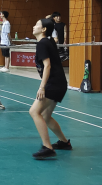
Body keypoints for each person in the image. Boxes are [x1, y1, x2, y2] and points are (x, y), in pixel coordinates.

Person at [29, 17, 72, 160]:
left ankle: (47, 147)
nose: (34, 26)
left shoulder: (43, 43)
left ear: (43, 29)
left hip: (53, 84)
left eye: (37, 24)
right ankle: (64, 143)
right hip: (59, 83)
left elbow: (47, 65)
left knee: (34, 111)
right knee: (46, 116)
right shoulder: (48, 41)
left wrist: (42, 87)